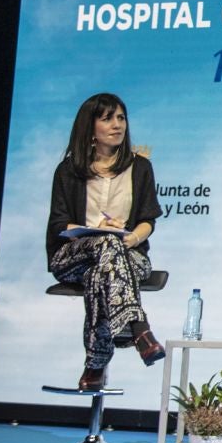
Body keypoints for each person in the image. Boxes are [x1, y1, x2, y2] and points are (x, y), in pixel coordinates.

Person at [45, 93, 165, 391]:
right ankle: (139, 329)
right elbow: (60, 224)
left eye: (121, 118)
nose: (117, 125)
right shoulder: (68, 170)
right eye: (107, 118)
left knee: (103, 270)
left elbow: (148, 219)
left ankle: (95, 364)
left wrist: (130, 237)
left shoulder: (140, 168)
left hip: (129, 254)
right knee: (105, 244)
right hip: (73, 255)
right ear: (90, 126)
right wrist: (96, 231)